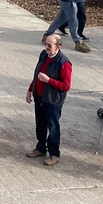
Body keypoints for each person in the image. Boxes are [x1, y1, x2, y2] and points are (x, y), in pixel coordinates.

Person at [26, 34, 71, 167]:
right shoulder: (44, 55)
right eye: (45, 44)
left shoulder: (64, 63)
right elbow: (37, 74)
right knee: (40, 125)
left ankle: (54, 154)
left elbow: (66, 86)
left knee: (53, 127)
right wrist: (30, 90)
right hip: (40, 97)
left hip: (53, 101)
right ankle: (40, 148)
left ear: (58, 47)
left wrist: (48, 80)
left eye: (49, 45)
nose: (46, 47)